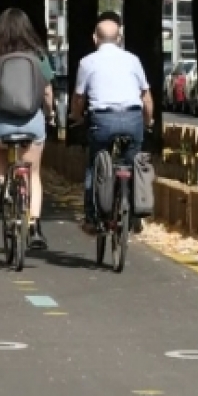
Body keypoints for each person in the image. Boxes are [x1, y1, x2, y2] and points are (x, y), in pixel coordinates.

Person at [0, 7, 58, 250]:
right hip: (32, 123)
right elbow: (48, 92)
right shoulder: (39, 54)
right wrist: (49, 115)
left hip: (1, 122)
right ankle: (34, 226)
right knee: (34, 174)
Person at [69, 12, 154, 235]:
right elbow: (146, 97)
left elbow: (79, 98)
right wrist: (147, 121)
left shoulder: (87, 62)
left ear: (95, 39)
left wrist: (76, 117)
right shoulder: (133, 60)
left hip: (102, 120)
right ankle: (134, 215)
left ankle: (91, 217)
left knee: (94, 164)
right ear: (119, 38)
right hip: (132, 118)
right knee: (133, 163)